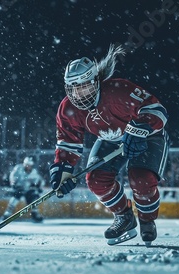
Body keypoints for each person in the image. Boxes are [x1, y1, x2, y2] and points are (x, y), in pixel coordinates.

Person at [49, 45, 169, 246]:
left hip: (148, 137)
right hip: (111, 139)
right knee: (95, 179)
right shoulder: (67, 109)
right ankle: (124, 217)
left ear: (96, 81)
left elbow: (157, 110)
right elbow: (68, 143)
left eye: (84, 86)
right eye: (74, 88)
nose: (79, 94)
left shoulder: (118, 90)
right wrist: (62, 169)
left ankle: (147, 220)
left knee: (140, 180)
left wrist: (140, 127)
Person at [2, 157, 44, 223]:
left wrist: (39, 187)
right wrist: (13, 184)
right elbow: (12, 177)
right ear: (24, 164)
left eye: (29, 165)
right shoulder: (18, 168)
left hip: (28, 190)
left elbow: (39, 181)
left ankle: (34, 213)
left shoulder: (34, 172)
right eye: (26, 165)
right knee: (15, 197)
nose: (28, 166)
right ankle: (7, 213)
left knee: (33, 197)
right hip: (19, 188)